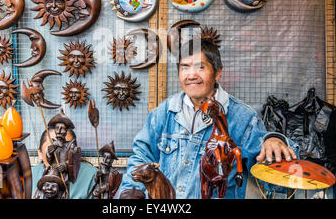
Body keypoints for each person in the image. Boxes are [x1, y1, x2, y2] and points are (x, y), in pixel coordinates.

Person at [117, 38, 298, 199]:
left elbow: (269, 160)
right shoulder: (163, 113)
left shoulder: (242, 117)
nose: (191, 75)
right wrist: (132, 192)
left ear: (218, 73)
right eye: (185, 67)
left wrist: (273, 139)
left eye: (200, 67)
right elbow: (141, 156)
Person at [31, 128, 97, 199]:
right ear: (40, 153)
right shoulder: (30, 175)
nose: (57, 154)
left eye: (65, 149)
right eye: (52, 148)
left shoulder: (92, 176)